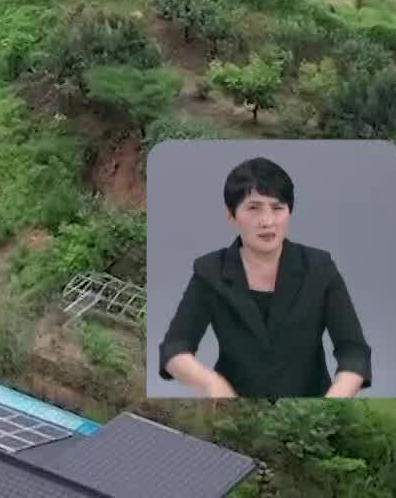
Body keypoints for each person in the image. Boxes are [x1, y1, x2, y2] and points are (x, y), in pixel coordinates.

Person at [157, 157, 371, 399]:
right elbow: (174, 348)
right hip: (235, 407)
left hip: (309, 404)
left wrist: (334, 401)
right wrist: (210, 383)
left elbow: (355, 351)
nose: (267, 221)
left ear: (289, 212)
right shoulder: (210, 271)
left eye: (277, 208)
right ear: (231, 216)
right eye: (253, 208)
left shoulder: (320, 268)